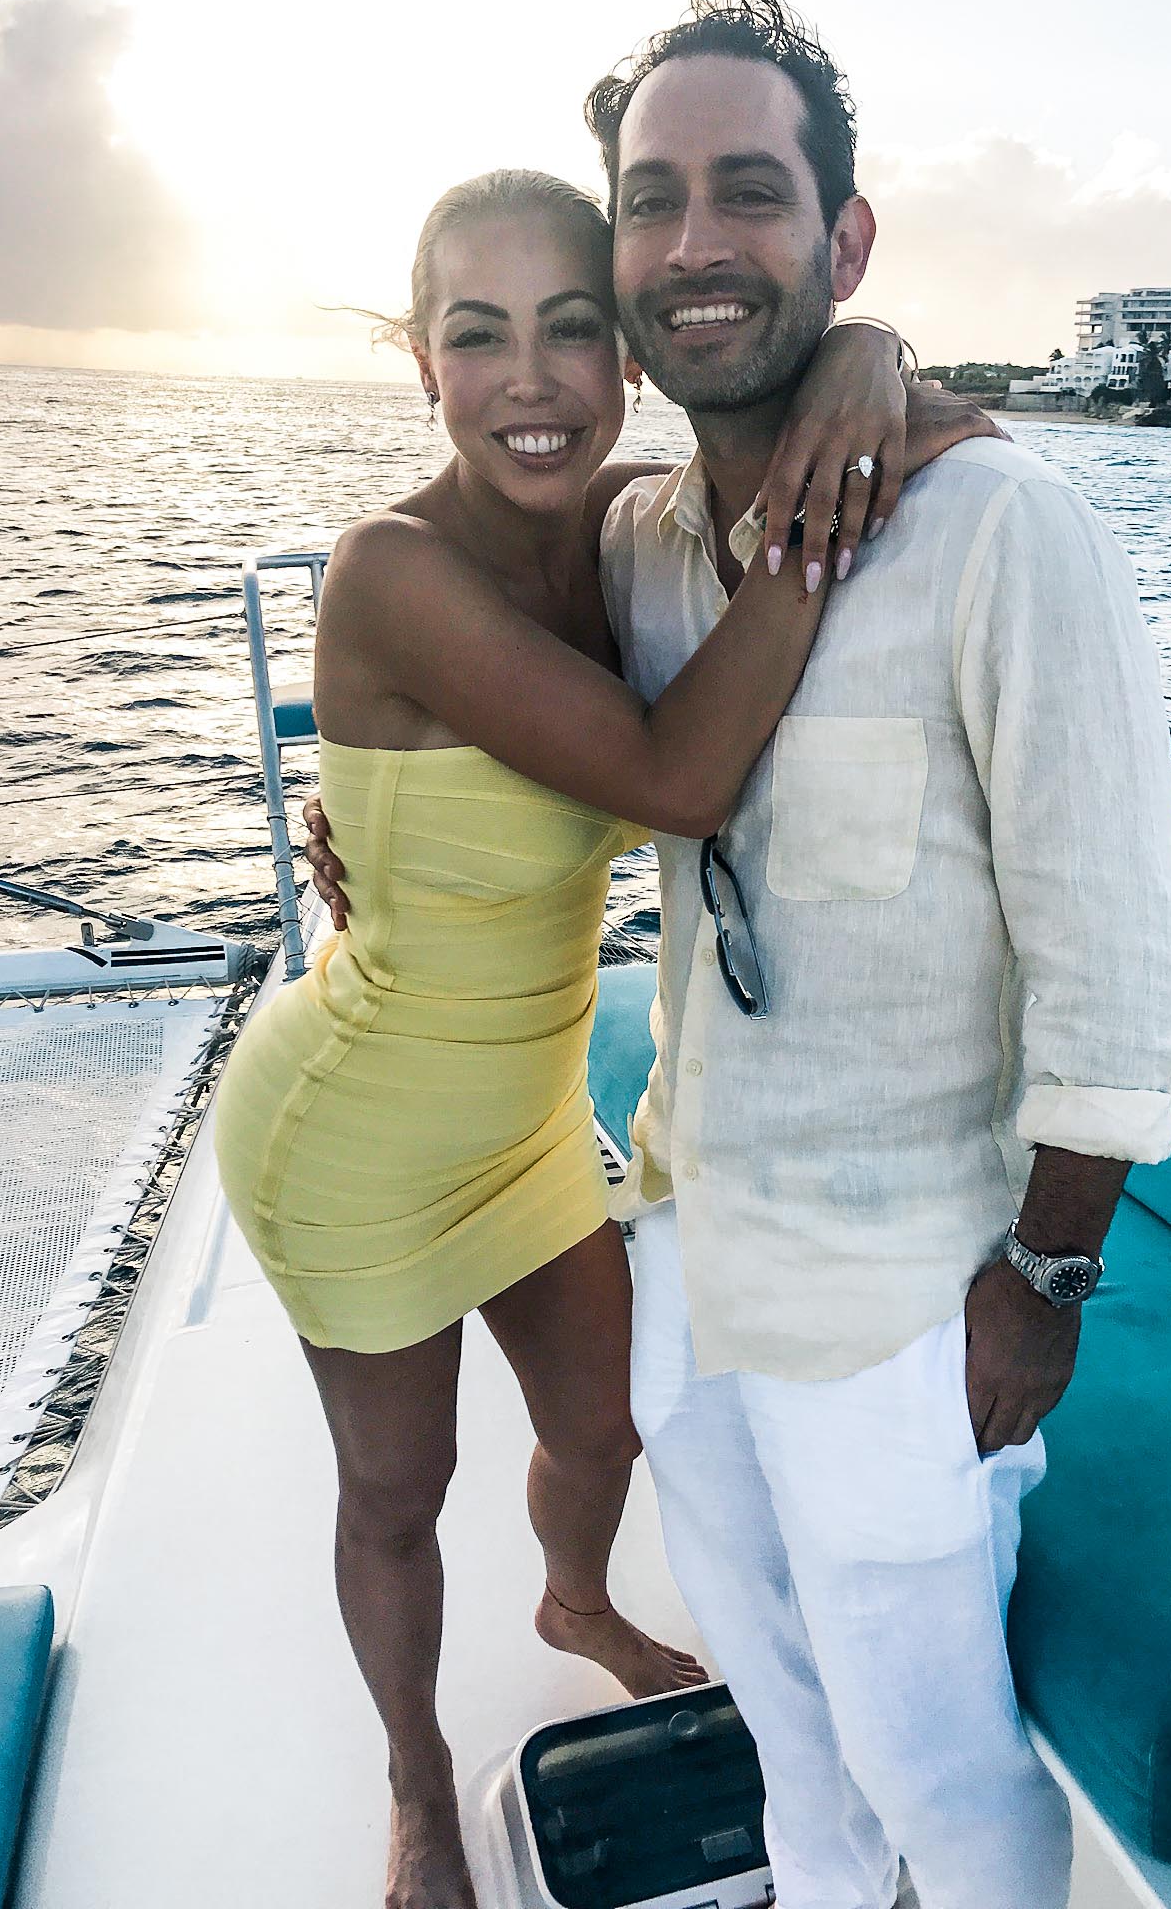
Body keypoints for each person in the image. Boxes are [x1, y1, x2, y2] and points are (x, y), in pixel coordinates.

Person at [214, 164, 992, 1909]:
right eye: (477, 337)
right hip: (354, 1134)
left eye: (574, 326)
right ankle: (418, 1789)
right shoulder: (392, 568)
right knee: (398, 1490)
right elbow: (678, 779)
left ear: (630, 354)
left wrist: (863, 357)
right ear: (424, 364)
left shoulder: (634, 538)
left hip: (526, 1115)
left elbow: (912, 411)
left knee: (608, 1419)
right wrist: (827, 507)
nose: (532, 380)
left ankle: (573, 1600)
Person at [586, 0, 1171, 1909]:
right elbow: (547, 745)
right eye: (653, 200)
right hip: (690, 1247)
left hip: (907, 1297)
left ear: (842, 242)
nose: (696, 245)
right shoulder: (641, 549)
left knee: (940, 1769)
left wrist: (1046, 1275)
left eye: (749, 195)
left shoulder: (1008, 530)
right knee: (785, 1736)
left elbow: (1115, 954)